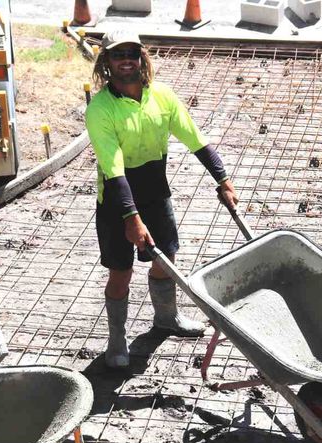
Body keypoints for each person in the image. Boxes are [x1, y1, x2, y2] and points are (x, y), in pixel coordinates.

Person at [85, 29, 239, 368]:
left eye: (132, 53)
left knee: (165, 259)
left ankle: (166, 318)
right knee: (120, 272)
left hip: (155, 192)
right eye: (117, 54)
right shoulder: (100, 110)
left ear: (141, 57)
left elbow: (196, 139)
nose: (126, 59)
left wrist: (223, 179)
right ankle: (116, 341)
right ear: (106, 62)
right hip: (116, 201)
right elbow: (113, 170)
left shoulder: (163, 97)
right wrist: (131, 218)